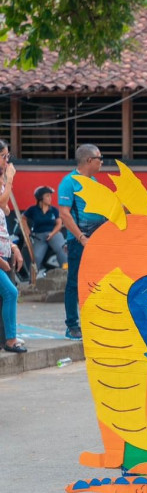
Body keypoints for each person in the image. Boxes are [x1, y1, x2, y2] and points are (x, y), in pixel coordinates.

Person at [58, 144, 106, 341]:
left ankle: (94, 321)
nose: (102, 161)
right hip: (80, 242)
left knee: (96, 283)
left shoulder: (94, 182)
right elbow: (64, 213)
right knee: (74, 283)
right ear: (89, 160)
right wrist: (81, 238)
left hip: (97, 242)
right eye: (99, 158)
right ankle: (72, 325)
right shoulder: (69, 182)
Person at [0, 141, 25, 353]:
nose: (7, 161)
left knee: (7, 294)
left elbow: (6, 210)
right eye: (4, 157)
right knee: (11, 293)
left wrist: (13, 246)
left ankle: (8, 339)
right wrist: (8, 181)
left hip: (4, 248)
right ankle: (10, 340)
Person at [24, 186, 67, 272]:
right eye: (47, 196)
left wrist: (52, 233)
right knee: (36, 257)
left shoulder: (54, 210)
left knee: (63, 251)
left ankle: (67, 272)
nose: (50, 198)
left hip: (54, 234)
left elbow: (59, 224)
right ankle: (32, 281)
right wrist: (27, 230)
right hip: (39, 236)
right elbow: (23, 218)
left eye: (50, 196)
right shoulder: (33, 210)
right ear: (40, 198)